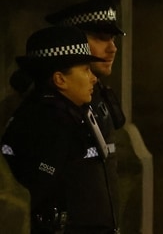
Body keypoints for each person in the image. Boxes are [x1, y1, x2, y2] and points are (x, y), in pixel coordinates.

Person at [1, 25, 117, 233]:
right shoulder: (49, 121)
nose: (93, 78)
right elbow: (38, 187)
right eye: (85, 70)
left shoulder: (69, 114)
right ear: (59, 79)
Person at [44, 0, 127, 230]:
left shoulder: (98, 93)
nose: (112, 48)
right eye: (101, 38)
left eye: (112, 38)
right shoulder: (54, 104)